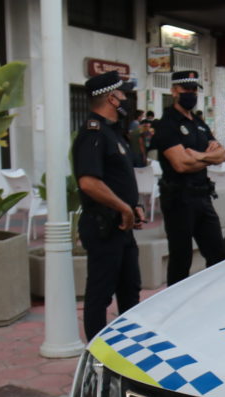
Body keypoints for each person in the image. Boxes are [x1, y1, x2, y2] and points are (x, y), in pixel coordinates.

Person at [71, 70, 144, 340]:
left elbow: (117, 179)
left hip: (120, 226)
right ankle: (96, 356)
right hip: (103, 226)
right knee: (100, 294)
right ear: (112, 98)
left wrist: (132, 206)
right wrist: (123, 207)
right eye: (123, 94)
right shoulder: (94, 133)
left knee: (130, 289)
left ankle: (127, 347)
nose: (126, 99)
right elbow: (89, 182)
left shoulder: (114, 133)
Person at [151, 70, 225, 286]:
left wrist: (200, 156)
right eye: (187, 89)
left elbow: (222, 154)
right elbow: (181, 164)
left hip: (203, 196)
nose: (191, 94)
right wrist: (209, 157)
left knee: (217, 255)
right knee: (180, 258)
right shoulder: (167, 124)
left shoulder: (199, 123)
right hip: (179, 198)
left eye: (194, 90)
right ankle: (173, 308)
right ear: (175, 91)